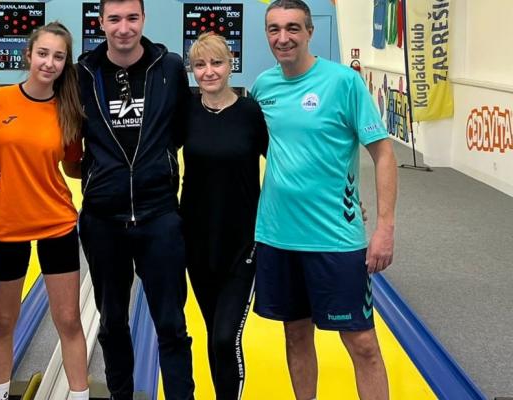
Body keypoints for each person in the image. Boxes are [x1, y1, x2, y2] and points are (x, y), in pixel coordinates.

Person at [251, 1, 398, 399]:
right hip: (278, 237)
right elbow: (271, 149)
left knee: (363, 344)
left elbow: (383, 154)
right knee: (296, 335)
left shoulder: (343, 83)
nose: (283, 38)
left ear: (310, 32)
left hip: (334, 239)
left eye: (293, 28)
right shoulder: (263, 87)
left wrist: (384, 228)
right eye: (274, 29)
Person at [77, 0, 195, 398]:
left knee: (171, 324)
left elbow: (182, 130)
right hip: (103, 218)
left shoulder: (169, 67)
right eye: (114, 19)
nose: (123, 28)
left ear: (143, 19)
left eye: (132, 18)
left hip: (158, 214)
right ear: (101, 22)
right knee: (112, 323)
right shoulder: (83, 72)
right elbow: (63, 132)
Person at [0, 22, 90, 400]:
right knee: (3, 321)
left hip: (56, 222)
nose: (49, 62)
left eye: (58, 56)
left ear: (64, 63)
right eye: (43, 53)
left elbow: (72, 166)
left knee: (69, 320)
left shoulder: (68, 109)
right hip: (7, 223)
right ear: (28, 55)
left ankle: (79, 395)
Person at [179, 32, 267, 400]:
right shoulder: (185, 111)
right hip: (197, 242)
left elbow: (287, 165)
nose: (209, 71)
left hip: (242, 243)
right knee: (213, 331)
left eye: (216, 63)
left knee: (225, 337)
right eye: (200, 65)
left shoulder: (251, 113)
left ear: (231, 65)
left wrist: (333, 196)